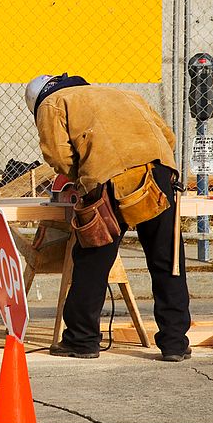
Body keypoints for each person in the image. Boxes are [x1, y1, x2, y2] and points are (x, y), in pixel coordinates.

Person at [24, 73, 192, 362]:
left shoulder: (51, 103)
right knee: (168, 261)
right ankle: (175, 343)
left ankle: (82, 339)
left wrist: (82, 178)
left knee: (93, 259)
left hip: (108, 181)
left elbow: (57, 156)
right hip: (161, 176)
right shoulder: (124, 94)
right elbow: (168, 137)